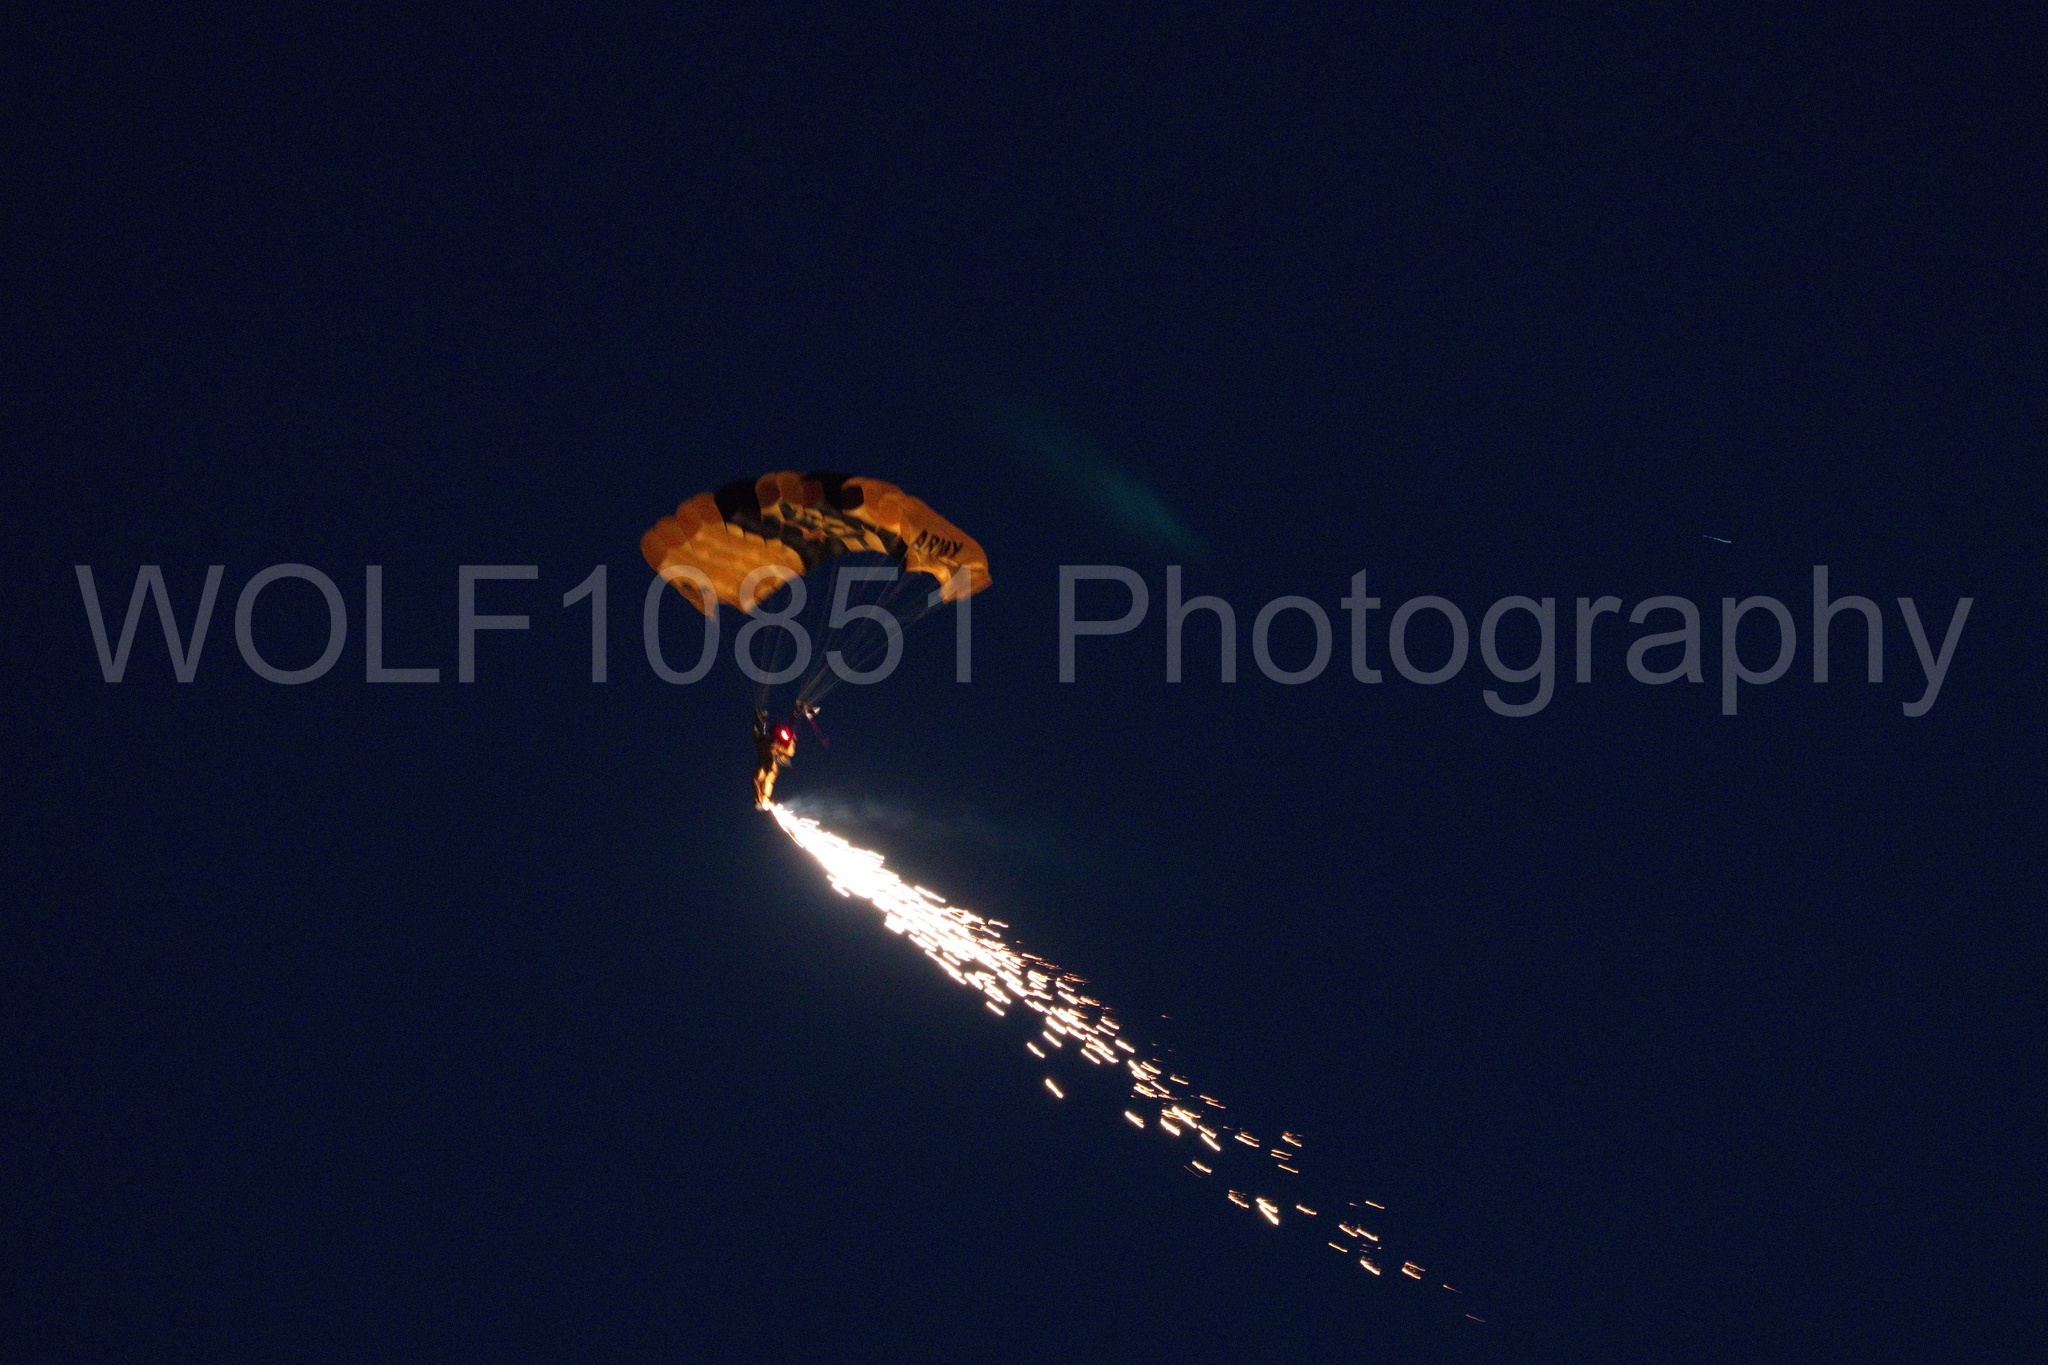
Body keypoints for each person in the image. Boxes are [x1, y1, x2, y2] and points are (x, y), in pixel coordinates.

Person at [751, 709, 797, 808]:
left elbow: (789, 751)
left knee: (767, 779)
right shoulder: (765, 741)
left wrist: (791, 739)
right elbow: (757, 735)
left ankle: (765, 799)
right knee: (756, 779)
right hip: (763, 762)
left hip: (771, 763)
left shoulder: (777, 744)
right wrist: (758, 720)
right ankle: (760, 799)